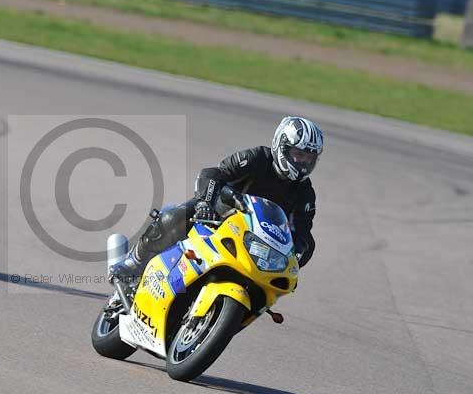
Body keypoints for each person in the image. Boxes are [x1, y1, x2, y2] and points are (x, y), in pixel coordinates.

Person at [110, 116, 324, 283]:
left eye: (309, 158)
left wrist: (294, 261)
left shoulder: (305, 192)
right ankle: (134, 262)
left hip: (255, 244)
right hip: (219, 216)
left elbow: (303, 234)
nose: (303, 163)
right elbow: (213, 174)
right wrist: (205, 203)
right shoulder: (257, 158)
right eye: (298, 155)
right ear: (282, 146)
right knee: (175, 216)